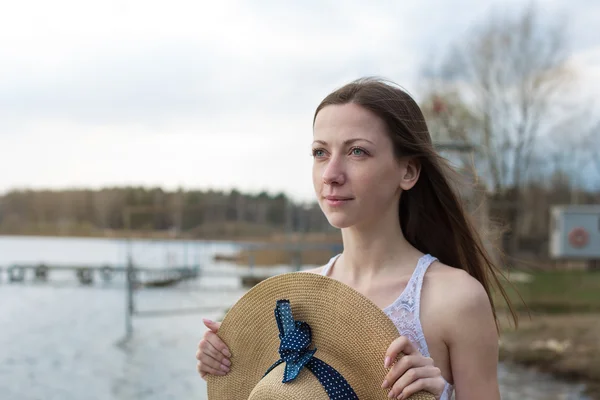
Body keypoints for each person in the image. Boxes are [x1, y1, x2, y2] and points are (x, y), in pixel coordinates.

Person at [196, 77, 516, 400]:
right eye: (320, 152)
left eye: (357, 151)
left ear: (408, 172)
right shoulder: (297, 299)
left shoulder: (456, 300)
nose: (331, 174)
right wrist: (229, 360)